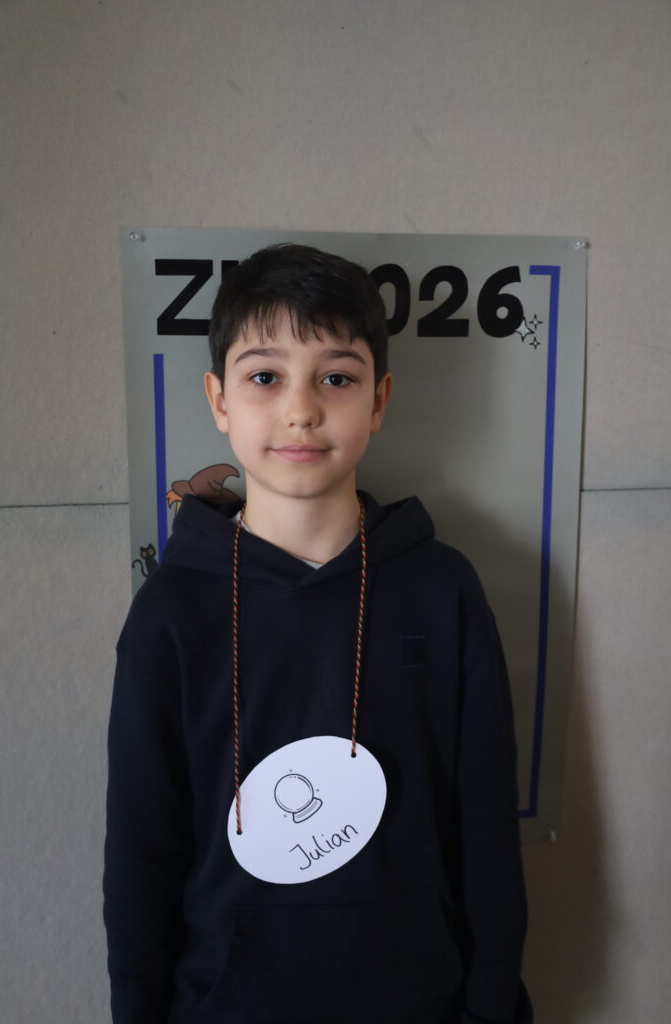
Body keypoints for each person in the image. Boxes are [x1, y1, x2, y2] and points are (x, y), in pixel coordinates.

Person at [103, 242, 534, 1024]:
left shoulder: (442, 590)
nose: (300, 409)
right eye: (264, 377)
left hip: (422, 1003)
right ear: (218, 400)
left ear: (378, 399)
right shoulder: (170, 613)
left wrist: (491, 1005)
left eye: (335, 378)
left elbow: (486, 833)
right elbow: (141, 854)